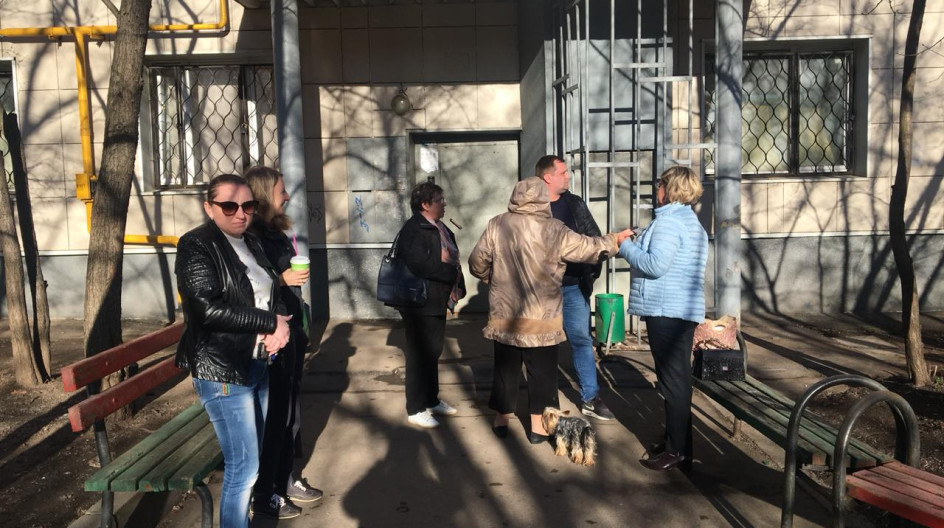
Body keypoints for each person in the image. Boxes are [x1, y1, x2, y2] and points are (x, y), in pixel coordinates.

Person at [468, 177, 633, 443]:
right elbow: (589, 248)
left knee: (505, 370)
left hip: (506, 315)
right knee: (542, 373)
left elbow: (477, 262)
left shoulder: (497, 224)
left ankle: (501, 420)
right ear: (543, 199)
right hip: (542, 318)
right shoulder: (554, 228)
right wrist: (615, 239)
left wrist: (492, 278)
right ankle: (538, 428)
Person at [175, 174, 292, 528]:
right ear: (208, 208)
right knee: (244, 468)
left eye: (248, 205)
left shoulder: (250, 240)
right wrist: (270, 322)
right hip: (223, 371)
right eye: (229, 206)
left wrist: (279, 327)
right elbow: (207, 310)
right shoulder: (196, 244)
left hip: (256, 363)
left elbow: (267, 291)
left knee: (253, 462)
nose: (240, 213)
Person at [244, 166, 323, 519]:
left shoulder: (275, 232)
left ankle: (285, 479)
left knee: (290, 414)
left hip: (290, 333)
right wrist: (282, 279)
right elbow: (250, 287)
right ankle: (267, 492)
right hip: (270, 338)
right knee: (275, 416)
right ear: (264, 194)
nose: (287, 196)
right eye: (281, 191)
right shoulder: (251, 237)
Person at [619, 166, 708, 473]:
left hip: (668, 311)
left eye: (659, 184)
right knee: (676, 381)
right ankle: (678, 444)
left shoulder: (670, 223)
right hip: (677, 309)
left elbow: (655, 265)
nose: (655, 189)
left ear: (669, 189)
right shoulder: (686, 220)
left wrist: (624, 246)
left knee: (673, 383)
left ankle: (677, 451)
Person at [537, 155, 615, 421]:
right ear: (548, 177)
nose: (568, 176)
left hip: (573, 287)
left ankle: (590, 398)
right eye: (563, 172)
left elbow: (594, 239)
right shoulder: (531, 206)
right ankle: (544, 402)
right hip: (542, 291)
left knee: (581, 340)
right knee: (543, 345)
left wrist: (589, 273)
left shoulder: (575, 204)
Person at [394, 181, 466, 429]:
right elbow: (419, 264)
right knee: (418, 355)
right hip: (419, 302)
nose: (444, 203)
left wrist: (457, 281)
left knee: (433, 351)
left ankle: (431, 399)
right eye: (439, 200)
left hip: (435, 299)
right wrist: (449, 274)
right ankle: (415, 408)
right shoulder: (414, 228)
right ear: (425, 204)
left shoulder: (438, 226)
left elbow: (452, 257)